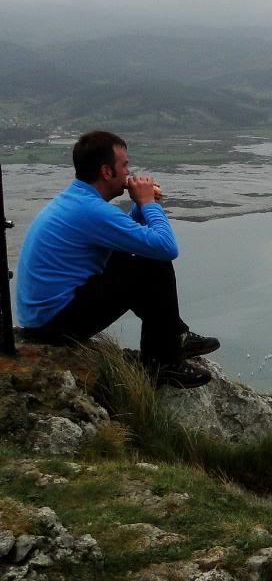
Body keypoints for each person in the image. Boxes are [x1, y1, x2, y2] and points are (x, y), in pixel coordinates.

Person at [15, 130, 219, 388]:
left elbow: (127, 235)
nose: (128, 173)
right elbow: (166, 247)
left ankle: (175, 335)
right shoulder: (92, 210)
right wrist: (149, 205)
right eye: (124, 165)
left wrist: (142, 204)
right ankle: (164, 361)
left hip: (43, 317)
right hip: (55, 325)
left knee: (138, 256)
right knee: (152, 264)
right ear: (106, 172)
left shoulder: (78, 200)